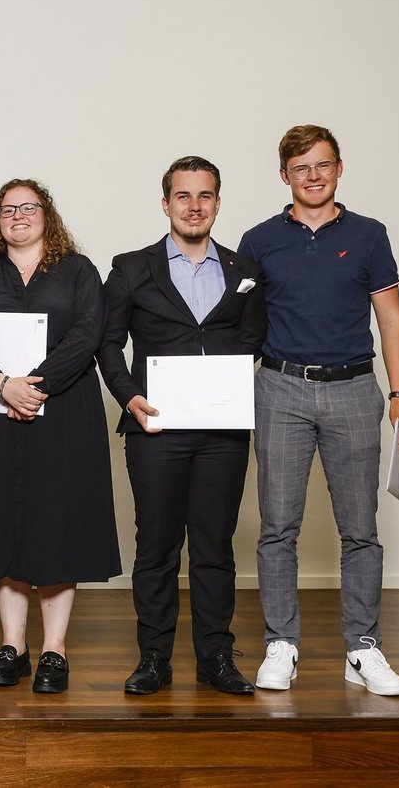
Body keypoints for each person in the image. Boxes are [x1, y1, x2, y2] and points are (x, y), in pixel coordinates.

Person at [238, 125, 399, 696]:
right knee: (278, 527)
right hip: (280, 389)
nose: (312, 176)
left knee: (360, 529)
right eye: (300, 167)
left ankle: (362, 648)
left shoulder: (368, 235)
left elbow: (391, 316)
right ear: (284, 175)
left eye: (322, 165)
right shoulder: (258, 240)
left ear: (339, 168)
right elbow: (235, 323)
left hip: (353, 389)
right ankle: (281, 644)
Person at [97, 156, 266, 696]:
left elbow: (253, 338)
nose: (195, 206)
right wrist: (129, 396)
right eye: (184, 196)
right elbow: (108, 343)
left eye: (205, 195)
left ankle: (216, 658)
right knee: (157, 545)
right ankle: (154, 658)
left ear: (217, 202)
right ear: (166, 203)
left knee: (215, 545)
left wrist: (219, 384)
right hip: (155, 429)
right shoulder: (130, 267)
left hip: (222, 432)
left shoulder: (245, 270)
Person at [0, 178, 119, 694]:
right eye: (7, 209)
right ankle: (13, 646)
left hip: (65, 412)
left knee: (56, 521)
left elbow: (87, 334)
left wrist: (35, 388)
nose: (18, 216)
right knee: (2, 520)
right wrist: (3, 385)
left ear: (47, 214)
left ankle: (54, 648)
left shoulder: (79, 270)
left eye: (29, 207)